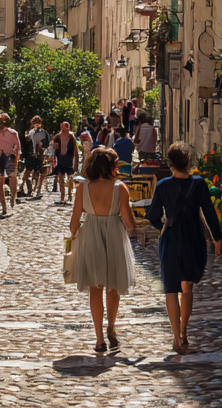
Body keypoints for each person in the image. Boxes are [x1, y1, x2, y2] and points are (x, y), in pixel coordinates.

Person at [147, 142, 222, 354]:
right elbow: (209, 213)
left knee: (171, 289)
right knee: (187, 287)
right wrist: (217, 237)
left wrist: (163, 227)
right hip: (192, 238)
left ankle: (174, 337)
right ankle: (183, 331)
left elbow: (152, 215)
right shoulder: (199, 184)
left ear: (170, 163)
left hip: (171, 238)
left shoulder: (162, 185)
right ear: (188, 162)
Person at [70, 147, 137, 353]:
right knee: (113, 286)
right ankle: (111, 328)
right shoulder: (120, 188)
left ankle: (99, 338)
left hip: (90, 236)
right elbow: (129, 222)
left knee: (95, 287)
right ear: (110, 166)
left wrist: (73, 242)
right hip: (115, 237)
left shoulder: (83, 188)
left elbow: (73, 224)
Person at [0, 113, 21, 216]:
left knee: (0, 183)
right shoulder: (13, 133)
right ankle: (13, 196)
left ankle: (4, 208)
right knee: (13, 177)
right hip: (10, 156)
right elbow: (18, 147)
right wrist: (16, 158)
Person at [51, 121, 78, 205]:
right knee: (61, 178)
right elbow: (52, 148)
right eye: (63, 128)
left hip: (69, 158)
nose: (65, 130)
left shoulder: (71, 137)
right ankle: (62, 196)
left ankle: (70, 194)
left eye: (66, 128)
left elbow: (75, 150)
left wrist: (76, 162)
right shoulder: (57, 137)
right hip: (60, 158)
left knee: (70, 178)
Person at [26, 116, 51, 197]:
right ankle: (32, 188)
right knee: (31, 171)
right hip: (32, 154)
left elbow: (47, 144)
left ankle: (38, 188)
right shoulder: (30, 132)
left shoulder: (44, 133)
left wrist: (42, 148)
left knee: (41, 172)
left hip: (41, 154)